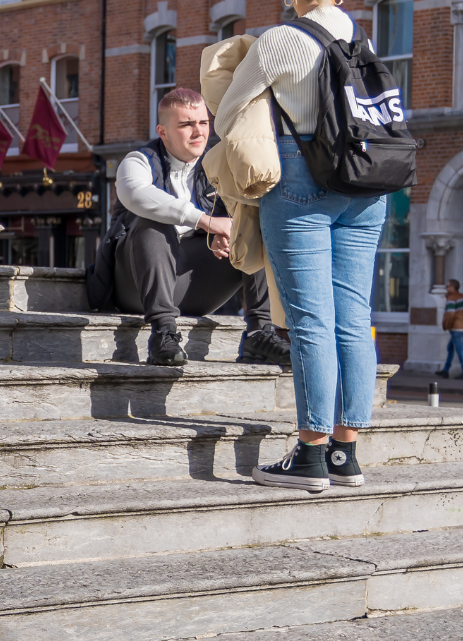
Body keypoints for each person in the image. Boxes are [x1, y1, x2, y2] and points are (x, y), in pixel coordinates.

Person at [216, 0, 384, 492]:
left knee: (311, 321)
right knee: (353, 320)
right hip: (365, 181)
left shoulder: (280, 39)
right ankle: (343, 452)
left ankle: (309, 456)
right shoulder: (360, 38)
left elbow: (227, 118)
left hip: (300, 179)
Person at [108, 88, 288, 367]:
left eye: (203, 123)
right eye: (186, 124)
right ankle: (163, 333)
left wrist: (225, 234)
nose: (198, 132)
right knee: (155, 222)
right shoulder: (139, 161)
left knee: (254, 225)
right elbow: (136, 193)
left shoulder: (218, 166)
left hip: (194, 286)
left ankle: (258, 333)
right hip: (134, 287)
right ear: (163, 131)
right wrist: (205, 222)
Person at [438, 279, 463, 378]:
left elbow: (450, 315)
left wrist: (446, 325)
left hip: (456, 327)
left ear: (453, 287)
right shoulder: (461, 297)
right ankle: (445, 370)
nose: (446, 288)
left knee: (459, 349)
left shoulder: (452, 298)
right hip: (460, 326)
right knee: (450, 348)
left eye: (448, 286)